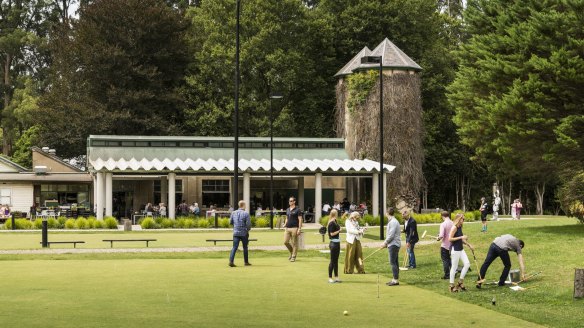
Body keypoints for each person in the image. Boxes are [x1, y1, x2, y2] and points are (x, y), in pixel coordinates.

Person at [448, 213, 474, 292]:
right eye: (463, 219)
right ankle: (451, 285)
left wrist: (469, 245)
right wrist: (461, 237)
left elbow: (461, 240)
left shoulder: (460, 227)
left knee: (467, 264)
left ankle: (460, 282)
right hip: (455, 250)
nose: (464, 220)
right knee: (454, 267)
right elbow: (450, 239)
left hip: (461, 249)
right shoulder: (454, 227)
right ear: (459, 219)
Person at [228, 200, 252, 267]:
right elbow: (248, 224)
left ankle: (231, 261)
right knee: (245, 247)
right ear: (244, 205)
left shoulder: (233, 213)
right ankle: (246, 262)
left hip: (236, 232)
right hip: (244, 233)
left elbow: (230, 222)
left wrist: (236, 226)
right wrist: (248, 230)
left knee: (234, 247)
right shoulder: (246, 213)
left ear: (239, 205)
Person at [382, 208, 401, 286]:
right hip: (393, 244)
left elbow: (391, 235)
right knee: (395, 262)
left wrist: (385, 242)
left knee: (392, 262)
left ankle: (395, 280)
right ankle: (395, 279)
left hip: (394, 244)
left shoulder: (393, 222)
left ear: (387, 213)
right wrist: (387, 243)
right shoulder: (393, 221)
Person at [283, 196, 302, 262]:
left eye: (291, 201)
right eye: (289, 201)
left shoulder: (298, 209)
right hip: (287, 228)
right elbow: (287, 218)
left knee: (294, 243)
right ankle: (292, 252)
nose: (290, 202)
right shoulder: (288, 209)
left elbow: (300, 219)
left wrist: (299, 229)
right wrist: (285, 224)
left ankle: (293, 256)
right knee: (285, 242)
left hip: (295, 228)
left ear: (294, 202)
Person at [437, 211, 453, 280]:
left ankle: (447, 275)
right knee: (449, 259)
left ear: (442, 216)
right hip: (451, 244)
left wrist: (438, 238)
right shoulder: (452, 223)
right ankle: (453, 273)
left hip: (445, 245)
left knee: (445, 260)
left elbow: (441, 235)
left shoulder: (443, 224)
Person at [327, 209, 342, 283]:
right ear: (335, 214)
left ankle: (336, 277)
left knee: (336, 261)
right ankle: (330, 277)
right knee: (332, 261)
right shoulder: (331, 223)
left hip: (337, 243)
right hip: (333, 244)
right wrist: (339, 231)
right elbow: (332, 234)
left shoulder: (335, 221)